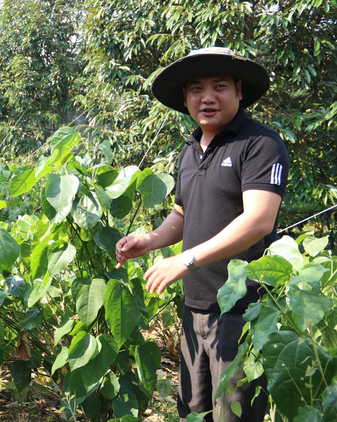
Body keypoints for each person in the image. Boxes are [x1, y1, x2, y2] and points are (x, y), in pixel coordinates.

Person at [115, 47, 290, 422]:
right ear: (185, 98)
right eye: (196, 88)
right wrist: (151, 239)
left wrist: (187, 259)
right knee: (193, 411)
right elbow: (182, 213)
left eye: (219, 86)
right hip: (195, 308)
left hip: (243, 311)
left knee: (235, 414)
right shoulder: (191, 148)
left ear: (239, 91)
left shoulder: (260, 144)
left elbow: (258, 220)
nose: (207, 97)